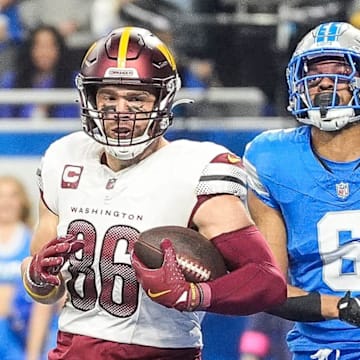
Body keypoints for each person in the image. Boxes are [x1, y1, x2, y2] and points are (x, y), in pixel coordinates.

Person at [20, 26, 286, 360]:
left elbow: (267, 281)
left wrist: (194, 295)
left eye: (136, 98)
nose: (121, 112)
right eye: (109, 97)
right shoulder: (65, 157)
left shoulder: (195, 168)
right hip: (73, 348)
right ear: (90, 98)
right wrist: (36, 277)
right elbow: (44, 289)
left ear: (163, 100)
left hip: (160, 351)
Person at [243, 21, 360, 360]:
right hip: (323, 348)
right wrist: (342, 308)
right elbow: (271, 290)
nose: (324, 80)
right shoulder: (272, 159)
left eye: (338, 67)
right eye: (314, 70)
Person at [0, 175, 56, 360]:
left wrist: (32, 354)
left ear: (23, 201)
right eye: (1, 195)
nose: (5, 202)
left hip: (29, 331)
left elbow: (46, 297)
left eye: (12, 196)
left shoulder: (35, 241)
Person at [0, 24, 78, 119]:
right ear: (30, 49)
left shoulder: (75, 80)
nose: (44, 52)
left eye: (50, 46)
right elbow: (5, 117)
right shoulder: (11, 81)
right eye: (39, 46)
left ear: (59, 49)